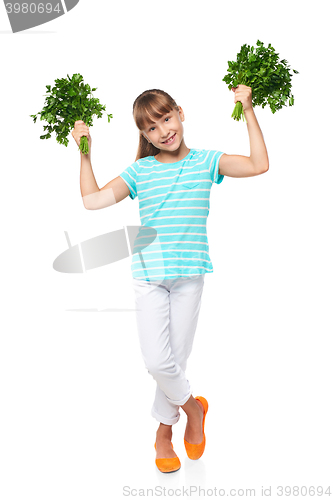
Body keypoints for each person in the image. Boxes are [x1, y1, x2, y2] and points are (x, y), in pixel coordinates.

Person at [71, 85, 269, 473]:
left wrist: (247, 108)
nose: (162, 131)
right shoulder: (140, 171)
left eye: (166, 118)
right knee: (158, 362)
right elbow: (92, 201)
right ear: (143, 136)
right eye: (151, 128)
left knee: (175, 360)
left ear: (180, 112)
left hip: (190, 278)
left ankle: (164, 432)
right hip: (149, 279)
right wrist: (84, 150)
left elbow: (259, 164)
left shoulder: (206, 161)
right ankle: (194, 410)